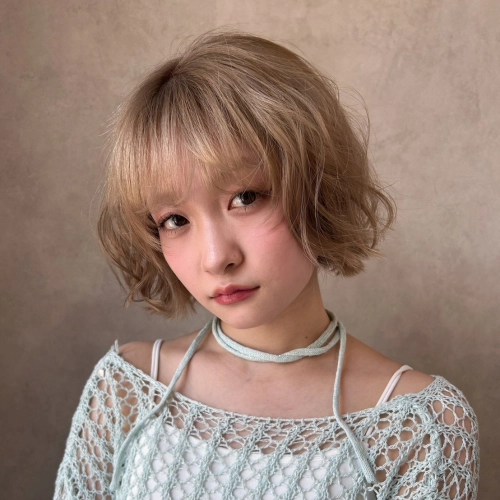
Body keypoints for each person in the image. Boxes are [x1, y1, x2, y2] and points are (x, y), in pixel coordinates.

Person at [54, 31, 479, 499]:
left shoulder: (422, 425)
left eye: (246, 197)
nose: (216, 258)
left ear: (317, 186)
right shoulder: (128, 390)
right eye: (175, 220)